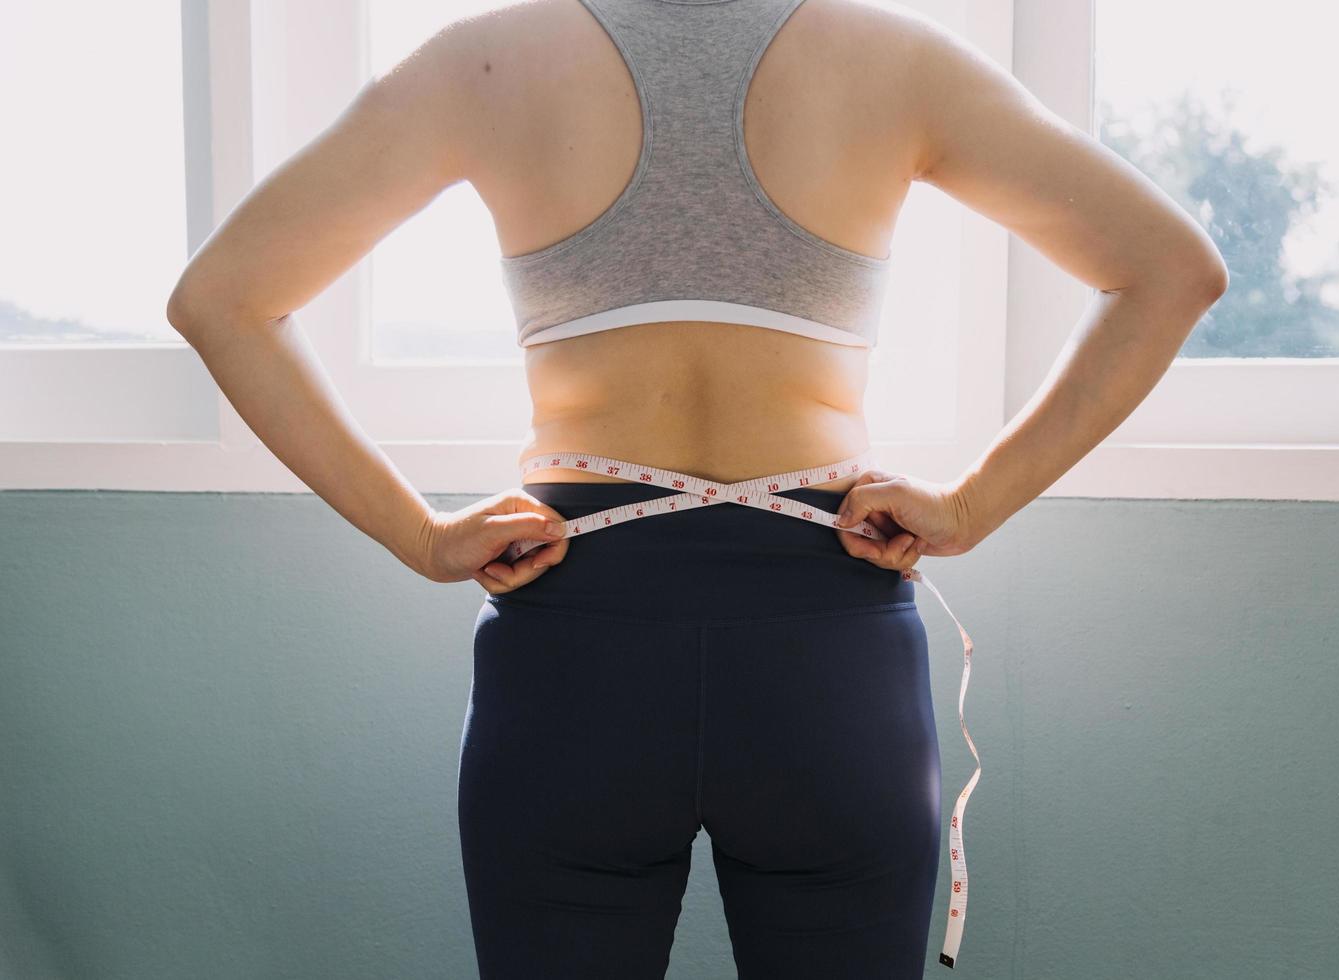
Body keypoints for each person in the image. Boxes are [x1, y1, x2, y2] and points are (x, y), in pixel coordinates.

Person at [166, 0, 1228, 975]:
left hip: (577, 641)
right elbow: (1173, 268)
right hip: (826, 643)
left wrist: (420, 536)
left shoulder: (487, 59)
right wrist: (971, 506)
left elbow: (222, 299)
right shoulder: (895, 58)